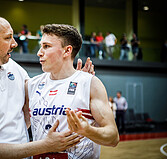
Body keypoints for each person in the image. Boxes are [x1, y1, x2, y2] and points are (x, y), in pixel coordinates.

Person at [0, 15, 94, 159]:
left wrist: (72, 79)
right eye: (8, 38)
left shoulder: (12, 67)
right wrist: (46, 145)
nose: (14, 43)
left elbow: (35, 100)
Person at [26, 24, 119, 159]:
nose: (39, 52)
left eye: (46, 46)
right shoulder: (31, 85)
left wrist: (88, 130)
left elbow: (113, 137)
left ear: (67, 51)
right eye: (41, 46)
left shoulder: (90, 84)